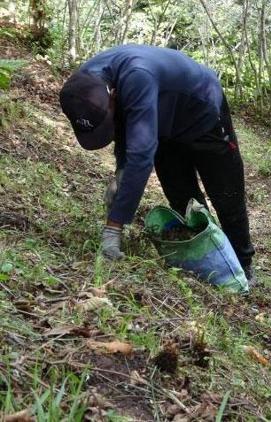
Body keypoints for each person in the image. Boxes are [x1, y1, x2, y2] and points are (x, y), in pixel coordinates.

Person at [58, 45, 255, 278]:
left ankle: (242, 266)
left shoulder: (136, 77)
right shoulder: (83, 86)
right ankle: (207, 257)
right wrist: (122, 172)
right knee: (182, 197)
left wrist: (114, 227)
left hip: (203, 111)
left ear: (112, 95)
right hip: (161, 122)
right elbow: (124, 122)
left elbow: (141, 153)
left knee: (227, 195)